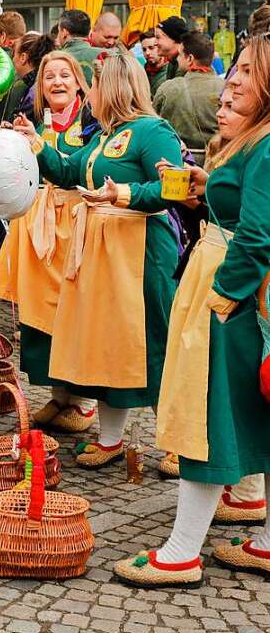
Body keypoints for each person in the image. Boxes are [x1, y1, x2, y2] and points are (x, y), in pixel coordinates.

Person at [113, 38, 270, 588]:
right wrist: (208, 187)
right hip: (239, 288)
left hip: (233, 291)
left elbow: (257, 235)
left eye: (248, 70)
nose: (235, 78)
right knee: (253, 412)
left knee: (205, 418)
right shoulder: (256, 140)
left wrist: (225, 296)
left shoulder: (267, 145)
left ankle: (181, 554)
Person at [14, 49, 182, 469]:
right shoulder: (104, 136)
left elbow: (174, 189)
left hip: (140, 251)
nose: (89, 92)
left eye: (97, 83)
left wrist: (123, 195)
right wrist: (37, 146)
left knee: (153, 341)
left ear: (116, 87)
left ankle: (180, 443)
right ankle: (110, 438)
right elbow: (71, 172)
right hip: (102, 251)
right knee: (109, 344)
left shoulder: (152, 131)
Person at [0, 51, 98, 435]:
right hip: (41, 222)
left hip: (77, 222)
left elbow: (83, 167)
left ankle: (83, 401)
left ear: (78, 81)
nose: (56, 82)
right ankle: (58, 394)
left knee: (76, 310)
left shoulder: (91, 120)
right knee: (42, 312)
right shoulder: (34, 120)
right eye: (49, 76)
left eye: (65, 75)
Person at [153, 31, 224, 152]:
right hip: (215, 162)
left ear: (190, 58)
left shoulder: (168, 89)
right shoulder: (226, 88)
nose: (178, 59)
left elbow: (154, 123)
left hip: (177, 162)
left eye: (180, 55)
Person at [55, 9, 104, 85]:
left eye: (58, 31)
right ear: (89, 31)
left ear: (64, 32)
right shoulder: (110, 56)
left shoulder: (54, 59)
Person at [154, 15, 189, 82]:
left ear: (173, 38)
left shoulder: (185, 64)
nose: (155, 43)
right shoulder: (174, 62)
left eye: (158, 37)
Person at [140, 29, 170, 97]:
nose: (147, 53)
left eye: (151, 48)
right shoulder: (141, 73)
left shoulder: (172, 72)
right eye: (144, 49)